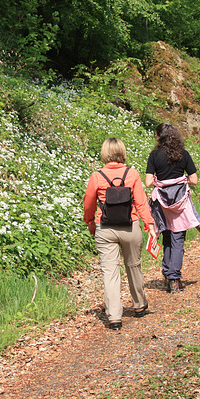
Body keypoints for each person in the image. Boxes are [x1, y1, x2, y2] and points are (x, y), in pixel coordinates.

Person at [83, 138, 158, 330]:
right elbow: (141, 202)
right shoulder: (132, 174)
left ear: (104, 153)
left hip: (105, 228)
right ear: (122, 152)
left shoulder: (97, 176)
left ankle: (114, 317)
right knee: (133, 265)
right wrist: (149, 225)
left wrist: (90, 222)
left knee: (110, 272)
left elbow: (89, 204)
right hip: (130, 226)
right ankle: (139, 305)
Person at [145, 123, 200, 294]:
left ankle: (167, 273)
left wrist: (159, 181)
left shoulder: (154, 155)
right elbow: (194, 180)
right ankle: (174, 279)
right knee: (178, 239)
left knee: (167, 236)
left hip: (162, 203)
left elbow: (148, 182)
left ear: (158, 137)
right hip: (180, 202)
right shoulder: (183, 154)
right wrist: (181, 179)